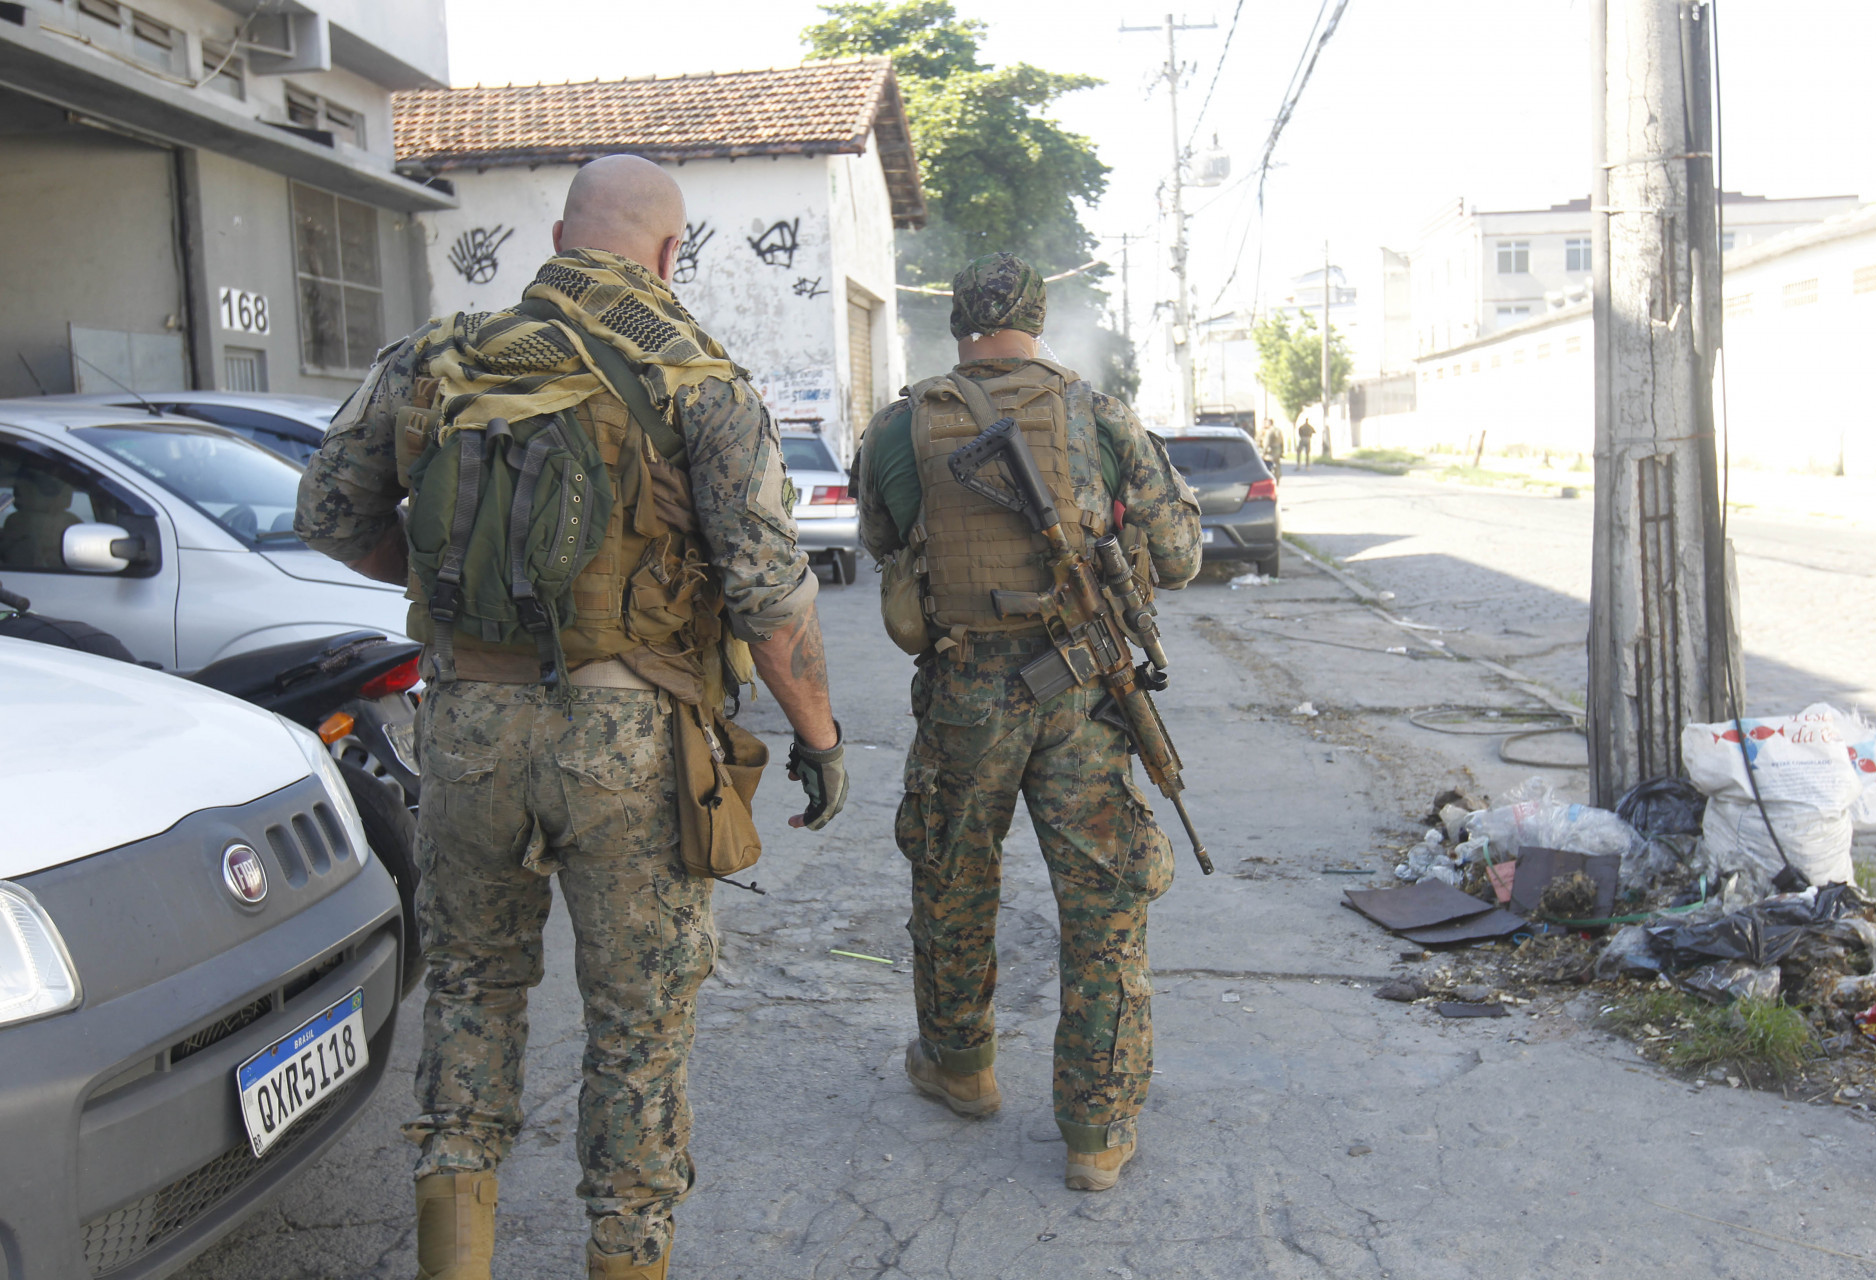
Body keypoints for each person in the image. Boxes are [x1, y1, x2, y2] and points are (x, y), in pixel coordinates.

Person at [295, 156, 849, 1280]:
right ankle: (628, 1251)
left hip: (465, 732)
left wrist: (449, 597)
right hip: (630, 741)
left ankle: (456, 1254)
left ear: (557, 237)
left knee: (469, 986)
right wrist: (821, 736)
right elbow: (769, 595)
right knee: (639, 1019)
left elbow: (327, 511)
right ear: (666, 254)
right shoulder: (702, 379)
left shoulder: (433, 358)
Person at [854, 252, 1200, 1193]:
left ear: (956, 324)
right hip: (1084, 692)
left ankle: (961, 1068)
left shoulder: (904, 423)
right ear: (1040, 319)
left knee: (953, 878)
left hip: (966, 689)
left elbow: (883, 543)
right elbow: (1177, 557)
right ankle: (1096, 1126)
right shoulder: (1100, 414)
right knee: (1103, 904)